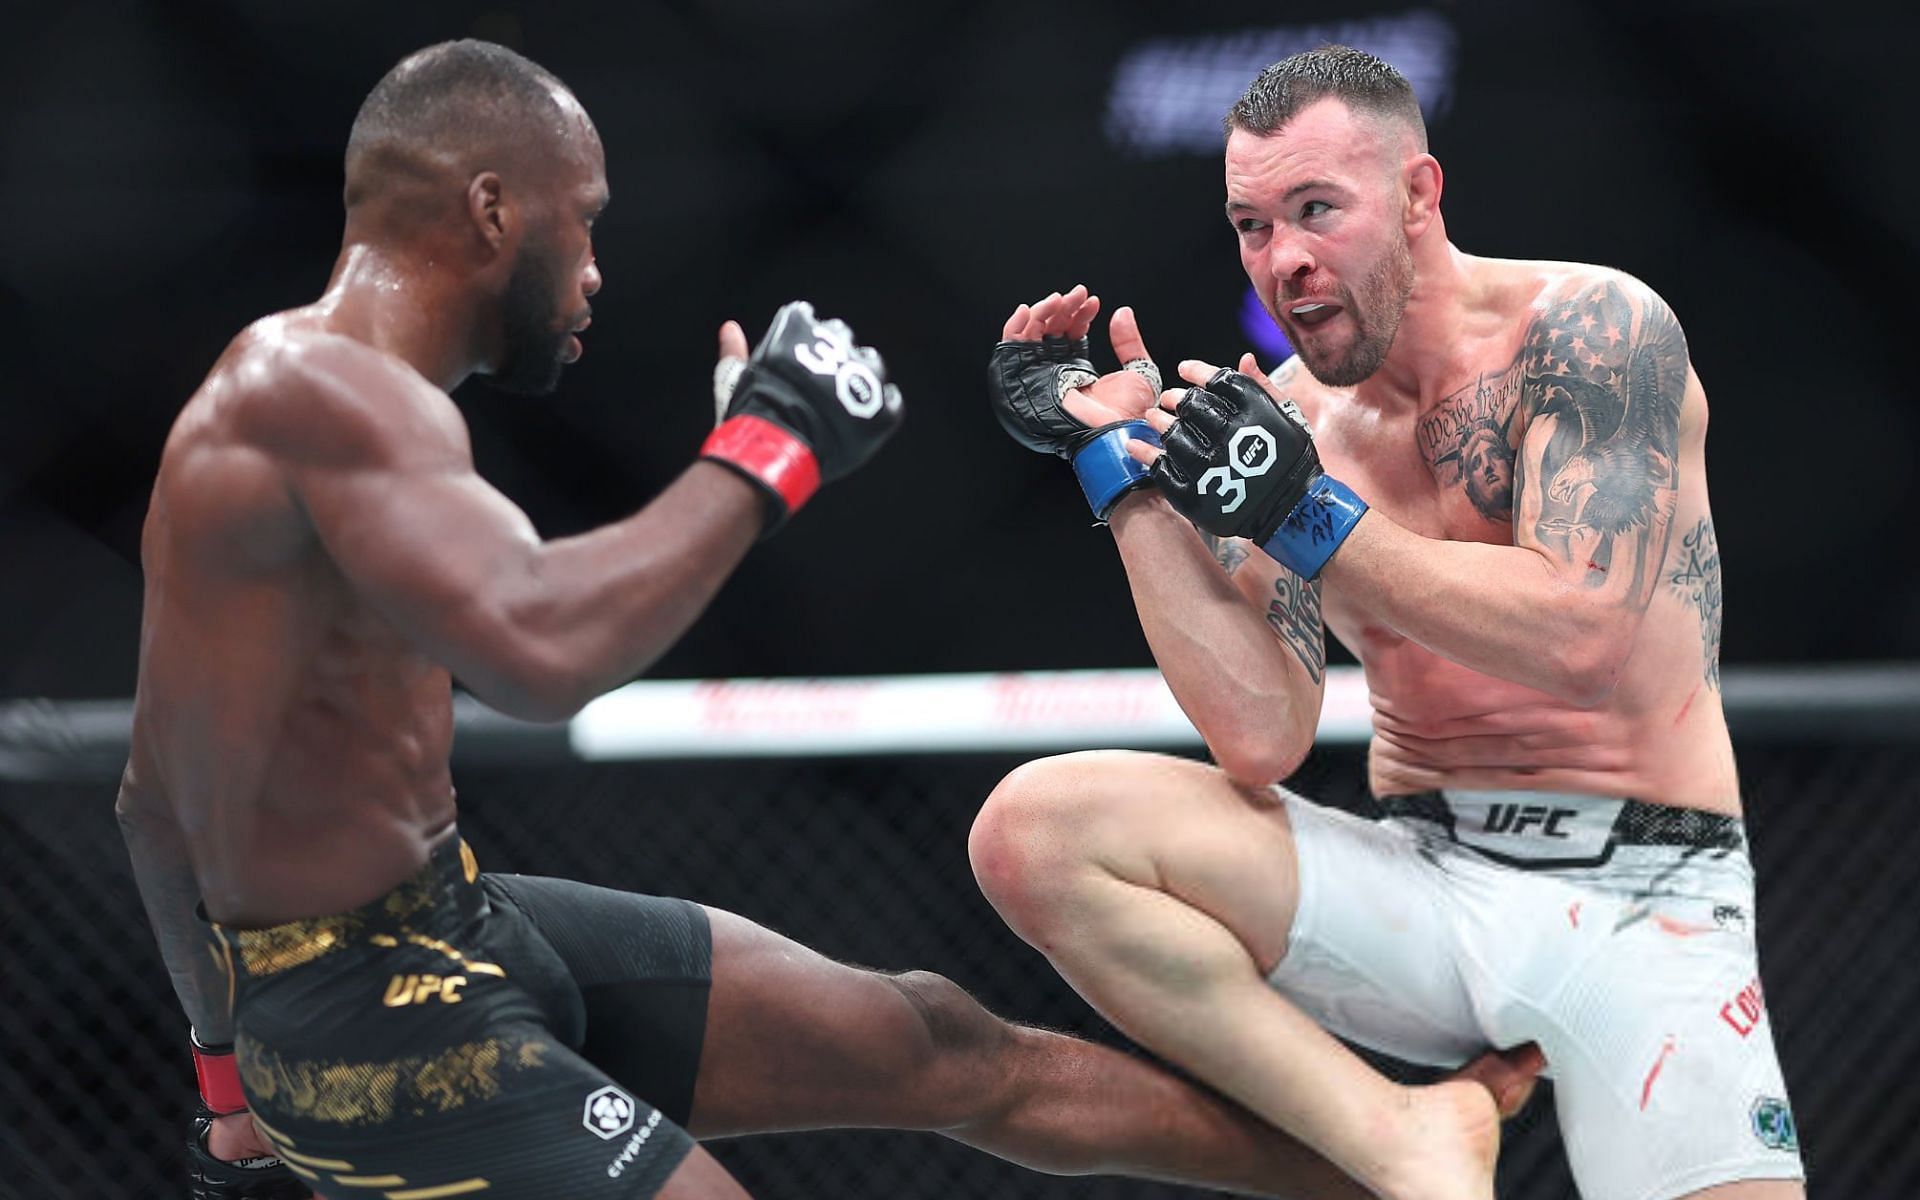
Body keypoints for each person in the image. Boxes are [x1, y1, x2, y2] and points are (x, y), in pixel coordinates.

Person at [114, 38, 1542, 1200]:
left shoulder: (344, 409)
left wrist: (225, 1084)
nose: (600, 267)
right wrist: (769, 450)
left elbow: (146, 800)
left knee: (939, 1038)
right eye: (586, 220)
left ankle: (1387, 1159)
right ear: (493, 211)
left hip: (451, 927)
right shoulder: (321, 398)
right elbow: (536, 651)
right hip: (370, 1023)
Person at [977, 44, 1802, 1200]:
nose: (1288, 261)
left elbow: (1582, 639)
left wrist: (1307, 513)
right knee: (1040, 829)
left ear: (1419, 195)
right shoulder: (1284, 422)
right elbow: (1261, 735)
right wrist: (1123, 475)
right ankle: (1396, 1136)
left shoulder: (1592, 334)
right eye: (1253, 225)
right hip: (1429, 887)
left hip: (1647, 895)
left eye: (1318, 209)